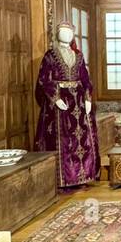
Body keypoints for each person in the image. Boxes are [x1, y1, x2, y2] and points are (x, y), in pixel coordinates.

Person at [34, 21, 100, 188]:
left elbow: (85, 78)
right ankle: (63, 179)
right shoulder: (50, 55)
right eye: (63, 31)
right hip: (60, 105)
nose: (67, 34)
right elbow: (44, 80)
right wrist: (55, 98)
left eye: (70, 31)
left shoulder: (78, 55)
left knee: (82, 140)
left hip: (78, 102)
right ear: (58, 34)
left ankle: (84, 175)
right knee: (63, 138)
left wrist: (87, 97)